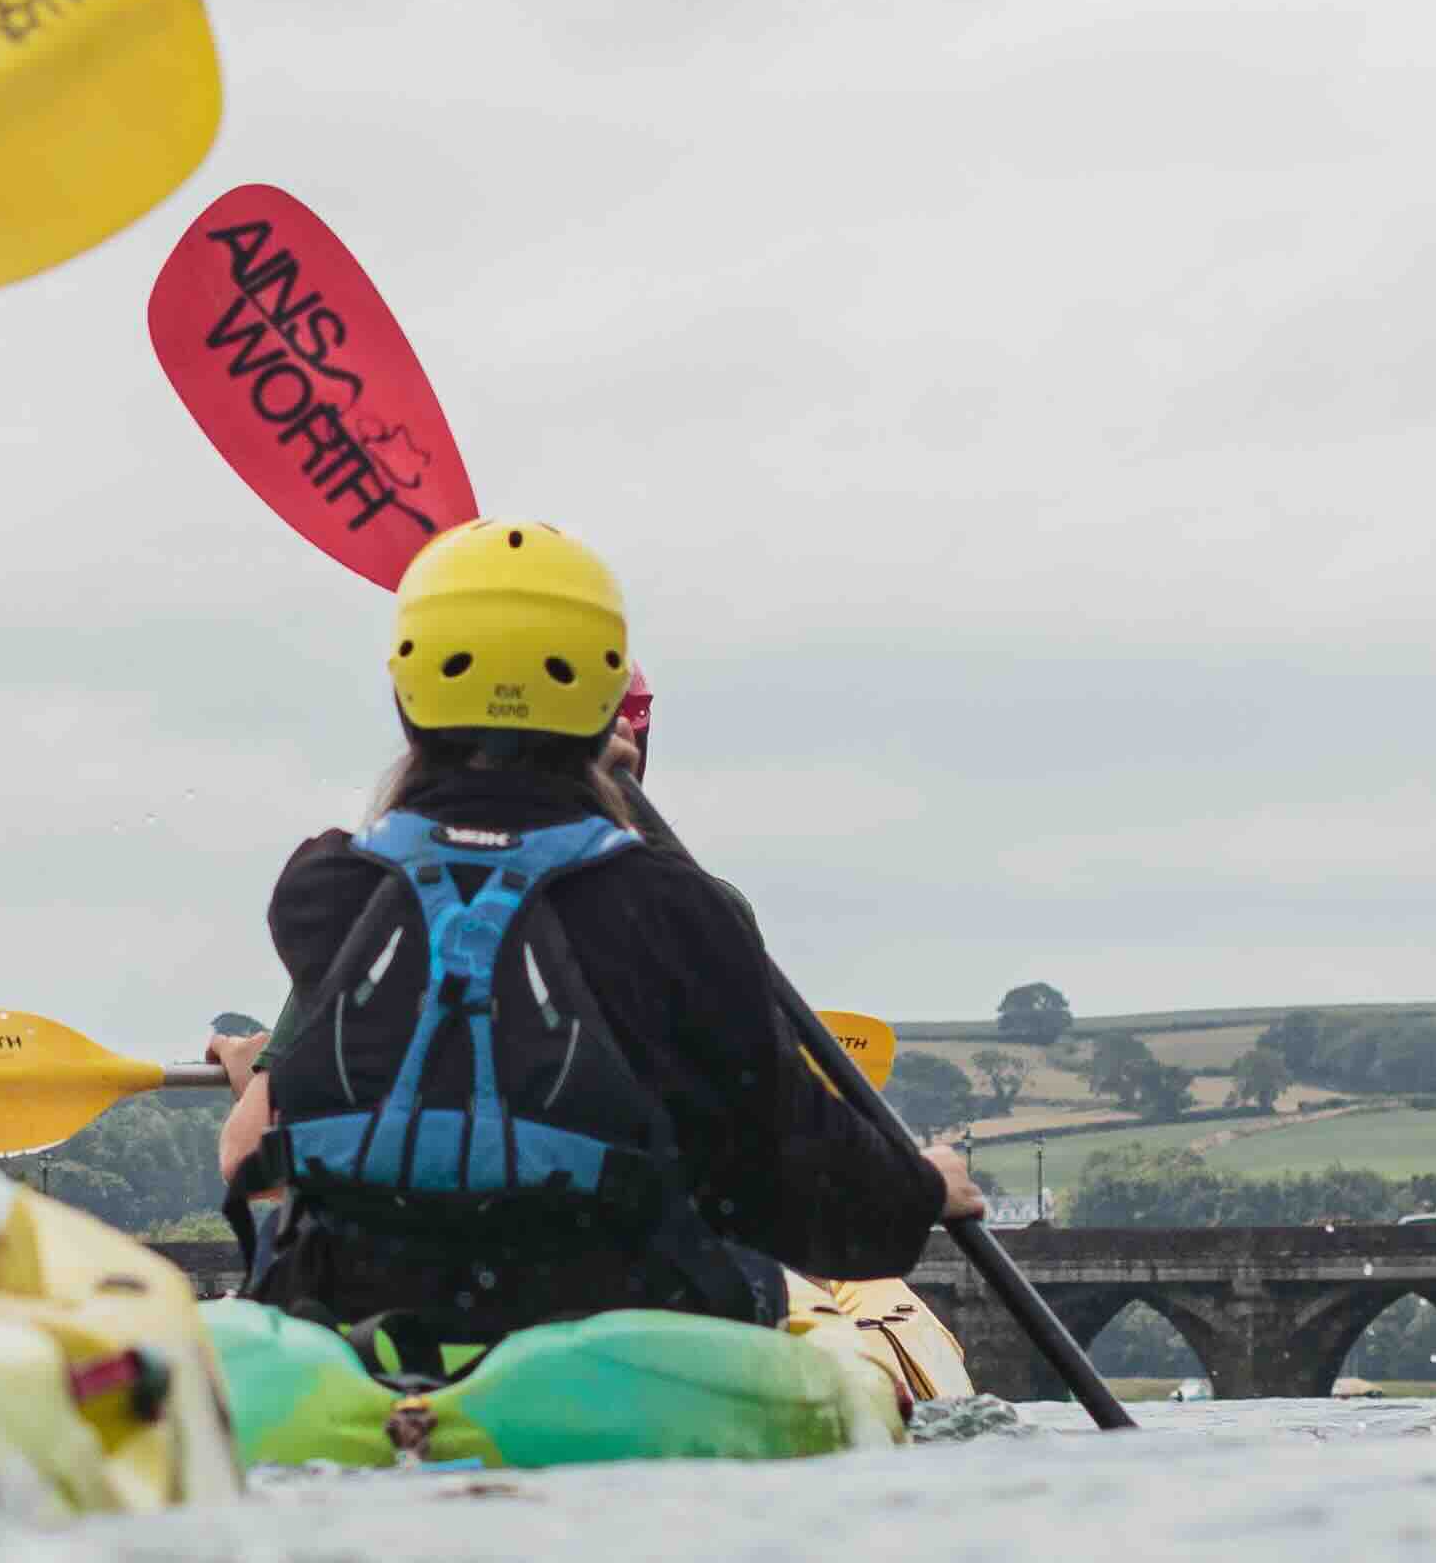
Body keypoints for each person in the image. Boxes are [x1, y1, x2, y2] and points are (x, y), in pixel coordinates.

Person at [205, 522, 978, 1342]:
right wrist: (923, 1191)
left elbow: (272, 1141)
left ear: (404, 699)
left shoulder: (325, 894)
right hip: (614, 1344)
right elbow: (786, 1188)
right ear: (610, 711)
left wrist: (271, 1071)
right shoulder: (681, 911)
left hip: (351, 1326)